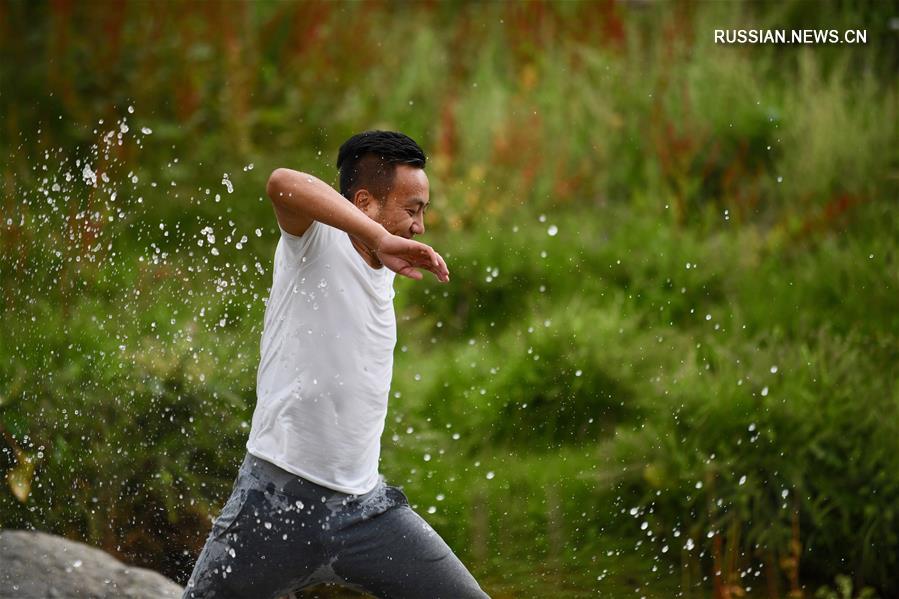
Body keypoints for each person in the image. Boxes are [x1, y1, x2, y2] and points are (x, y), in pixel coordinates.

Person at [182, 130, 490, 599]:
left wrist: (383, 242)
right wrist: (377, 236)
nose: (420, 227)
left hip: (365, 515)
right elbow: (282, 182)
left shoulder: (383, 270)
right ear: (365, 203)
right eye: (412, 210)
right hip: (272, 504)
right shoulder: (314, 242)